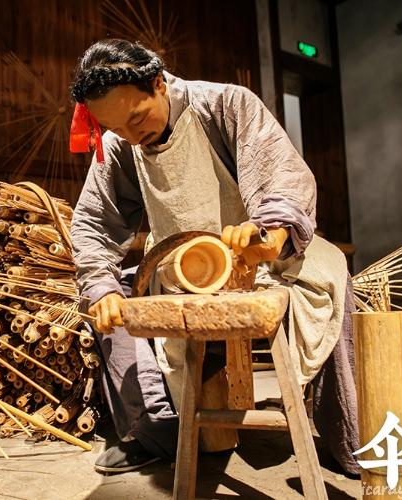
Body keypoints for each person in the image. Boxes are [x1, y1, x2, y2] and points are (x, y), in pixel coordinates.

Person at [67, 39, 360, 475]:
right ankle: (158, 431)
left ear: (158, 83)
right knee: (108, 301)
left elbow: (280, 175)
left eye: (137, 118)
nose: (130, 135)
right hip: (177, 271)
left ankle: (349, 441)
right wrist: (101, 286)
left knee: (330, 274)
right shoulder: (120, 145)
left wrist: (270, 232)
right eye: (116, 128)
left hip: (260, 263)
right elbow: (93, 223)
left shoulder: (225, 104)